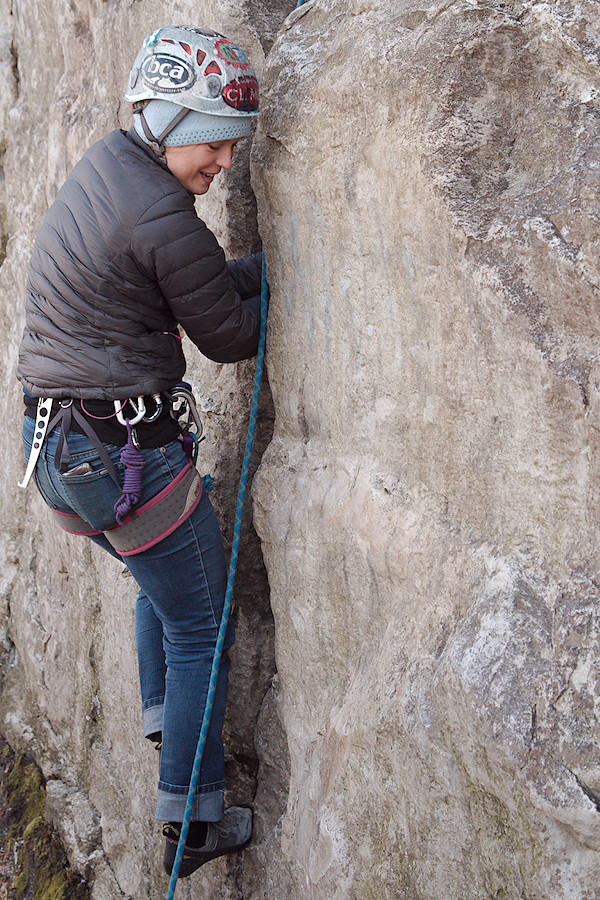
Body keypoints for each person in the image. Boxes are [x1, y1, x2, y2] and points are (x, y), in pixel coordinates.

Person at [17, 26, 263, 878]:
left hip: (59, 443)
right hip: (121, 450)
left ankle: (166, 717)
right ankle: (191, 822)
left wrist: (241, 273)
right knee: (202, 623)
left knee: (159, 578)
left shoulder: (109, 168)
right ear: (170, 121)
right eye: (217, 141)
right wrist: (288, 283)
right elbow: (228, 336)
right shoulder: (163, 211)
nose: (225, 162)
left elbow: (180, 284)